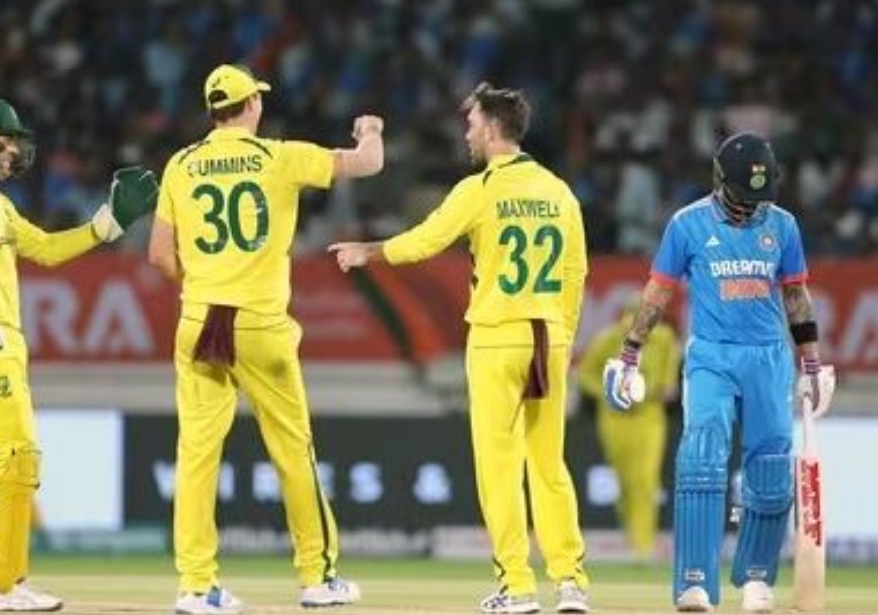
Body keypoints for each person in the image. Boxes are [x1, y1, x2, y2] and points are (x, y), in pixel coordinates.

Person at [329, 82, 591, 615]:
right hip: (548, 336)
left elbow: (426, 240)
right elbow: (576, 271)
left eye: (471, 125)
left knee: (499, 466)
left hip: (496, 336)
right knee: (549, 466)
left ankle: (518, 587)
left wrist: (368, 252)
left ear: (492, 129)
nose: (467, 134)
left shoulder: (481, 189)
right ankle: (570, 583)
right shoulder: (559, 191)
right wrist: (561, 334)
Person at [0, 96, 158, 611]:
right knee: (18, 459)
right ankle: (3, 587)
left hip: (5, 344)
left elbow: (46, 248)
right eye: (9, 139)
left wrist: (106, 225)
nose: (17, 149)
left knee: (11, 465)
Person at [147, 63, 385, 615]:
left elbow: (159, 255)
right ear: (252, 104)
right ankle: (317, 579)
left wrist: (203, 286)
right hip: (260, 324)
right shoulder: (279, 157)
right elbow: (368, 163)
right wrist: (371, 130)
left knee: (196, 456)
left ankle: (195, 587)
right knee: (293, 451)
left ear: (213, 111)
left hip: (199, 319)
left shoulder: (180, 164)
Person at [602, 132, 833, 614]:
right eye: (741, 196)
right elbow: (657, 293)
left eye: (758, 198)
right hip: (711, 356)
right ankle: (695, 583)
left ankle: (756, 579)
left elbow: (796, 296)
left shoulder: (783, 225)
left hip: (768, 358)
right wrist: (630, 353)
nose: (750, 208)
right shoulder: (686, 224)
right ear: (719, 179)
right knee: (701, 458)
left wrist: (811, 364)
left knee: (771, 469)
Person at [577, 297, 679, 562]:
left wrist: (661, 388)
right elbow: (585, 375)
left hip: (649, 417)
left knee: (644, 479)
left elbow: (670, 377)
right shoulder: (608, 339)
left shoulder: (664, 339)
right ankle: (632, 536)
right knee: (624, 481)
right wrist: (609, 392)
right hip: (614, 418)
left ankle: (643, 546)